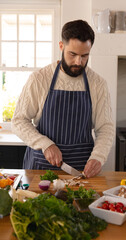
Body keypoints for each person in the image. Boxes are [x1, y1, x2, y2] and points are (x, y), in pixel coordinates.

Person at [12, 19, 114, 178]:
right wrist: (45, 145)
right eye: (72, 54)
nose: (78, 62)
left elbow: (105, 127)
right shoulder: (39, 79)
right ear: (61, 46)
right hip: (40, 167)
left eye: (84, 56)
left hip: (81, 170)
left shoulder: (98, 83)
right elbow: (18, 120)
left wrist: (98, 157)